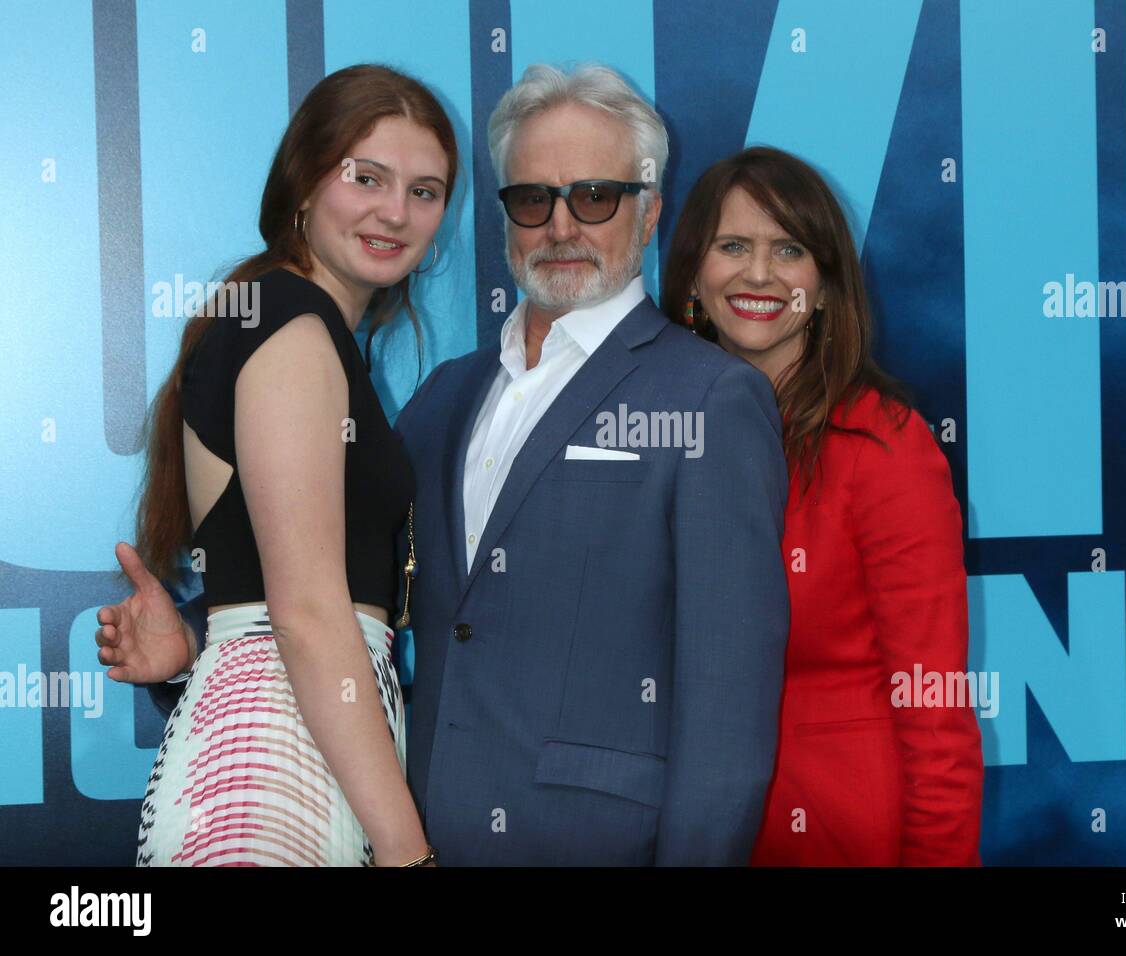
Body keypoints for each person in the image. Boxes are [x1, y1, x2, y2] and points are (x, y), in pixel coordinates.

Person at [100, 62, 790, 865]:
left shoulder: (711, 400)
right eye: (533, 198)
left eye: (595, 195)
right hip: (404, 828)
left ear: (648, 214)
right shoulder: (442, 399)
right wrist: (196, 654)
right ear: (502, 220)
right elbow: (327, 602)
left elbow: (727, 718)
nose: (561, 225)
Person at [97, 64, 457, 867]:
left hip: (294, 744)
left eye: (425, 191)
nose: (395, 212)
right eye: (366, 177)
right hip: (276, 772)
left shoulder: (274, 317)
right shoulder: (292, 327)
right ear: (303, 179)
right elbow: (305, 614)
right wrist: (408, 853)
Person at [661, 146, 983, 865]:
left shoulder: (884, 445)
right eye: (732, 245)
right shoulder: (657, 437)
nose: (758, 273)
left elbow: (933, 704)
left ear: (827, 285)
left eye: (790, 249)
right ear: (691, 276)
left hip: (834, 830)